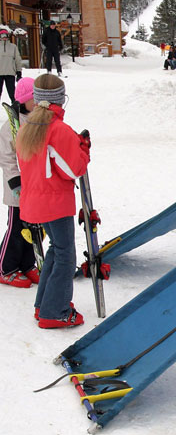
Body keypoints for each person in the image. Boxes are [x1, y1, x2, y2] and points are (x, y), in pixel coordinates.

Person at [16, 74, 89, 328]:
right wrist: (83, 150)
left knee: (56, 251)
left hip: (35, 201)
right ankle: (54, 311)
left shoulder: (28, 127)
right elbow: (73, 170)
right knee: (65, 255)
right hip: (54, 202)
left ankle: (44, 304)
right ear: (60, 98)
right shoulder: (58, 129)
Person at [0, 77, 38, 287]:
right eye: (33, 99)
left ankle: (27, 263)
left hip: (35, 185)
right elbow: (6, 157)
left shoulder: (38, 119)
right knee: (16, 228)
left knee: (33, 227)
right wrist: (16, 182)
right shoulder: (11, 125)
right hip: (17, 187)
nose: (36, 102)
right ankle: (6, 267)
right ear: (23, 100)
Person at [0, 26, 22, 102]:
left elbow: (18, 59)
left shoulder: (13, 47)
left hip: (10, 73)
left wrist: (19, 72)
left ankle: (15, 109)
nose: (4, 38)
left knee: (12, 94)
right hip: (0, 73)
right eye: (2, 36)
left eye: (5, 36)